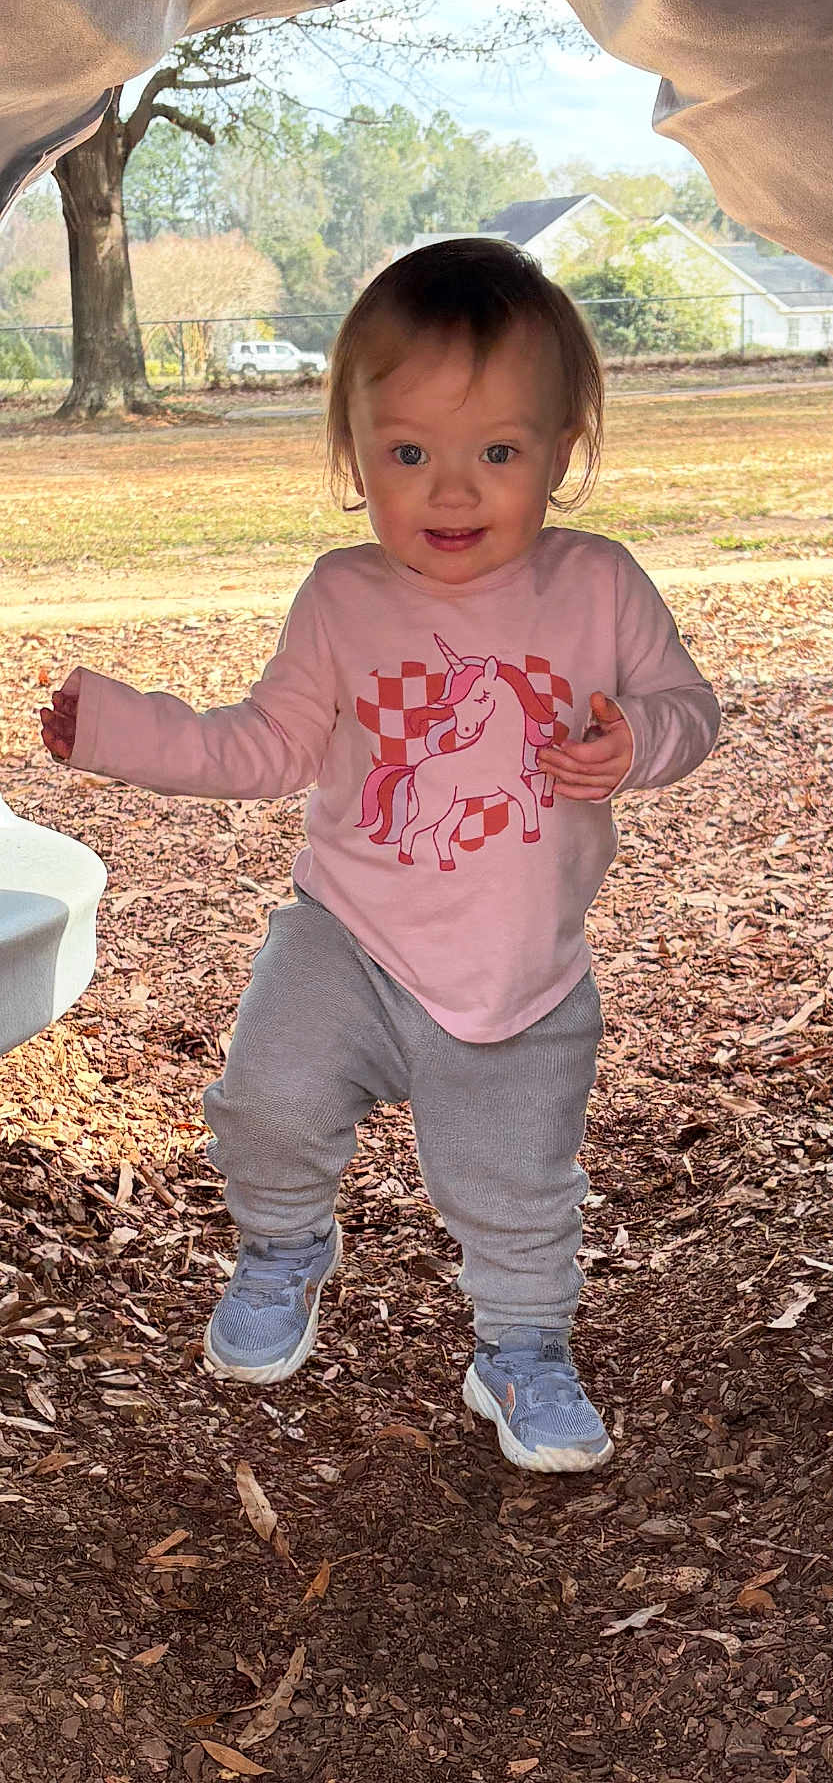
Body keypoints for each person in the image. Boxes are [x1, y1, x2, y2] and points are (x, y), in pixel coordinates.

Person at [40, 238, 720, 1473]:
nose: (451, 493)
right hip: (347, 935)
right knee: (266, 1102)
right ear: (355, 457)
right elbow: (266, 746)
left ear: (562, 452)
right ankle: (285, 1247)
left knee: (517, 1181)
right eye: (409, 455)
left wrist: (638, 740)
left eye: (497, 454)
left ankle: (521, 1347)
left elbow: (692, 708)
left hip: (520, 967)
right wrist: (121, 732)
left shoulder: (600, 586)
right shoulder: (343, 599)